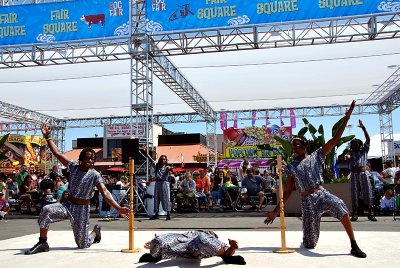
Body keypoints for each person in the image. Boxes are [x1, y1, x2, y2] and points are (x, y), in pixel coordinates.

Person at [264, 100, 367, 258]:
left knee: (341, 206)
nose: (295, 148)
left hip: (321, 194)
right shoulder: (291, 166)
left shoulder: (317, 155)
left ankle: (354, 245)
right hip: (307, 202)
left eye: (298, 145)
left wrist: (346, 119)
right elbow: (288, 191)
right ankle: (308, 238)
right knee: (310, 244)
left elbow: (334, 140)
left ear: (305, 147)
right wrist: (275, 212)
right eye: (293, 146)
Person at [24, 122, 129, 255]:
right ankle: (43, 242)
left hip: (82, 210)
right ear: (81, 159)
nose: (90, 162)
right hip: (68, 205)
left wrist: (118, 207)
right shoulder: (73, 166)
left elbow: (105, 192)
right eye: (87, 159)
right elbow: (57, 153)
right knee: (46, 210)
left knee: (83, 244)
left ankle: (95, 233)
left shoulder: (95, 175)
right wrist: (48, 137)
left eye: (92, 160)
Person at [138, 230, 246, 265]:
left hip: (198, 245)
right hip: (183, 242)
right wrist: (156, 242)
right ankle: (155, 255)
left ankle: (226, 257)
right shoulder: (192, 232)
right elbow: (174, 238)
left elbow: (224, 247)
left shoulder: (211, 237)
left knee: (203, 239)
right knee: (159, 240)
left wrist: (231, 248)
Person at [348, 120, 376, 222]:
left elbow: (368, 139)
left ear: (360, 145)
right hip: (354, 174)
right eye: (353, 144)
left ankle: (370, 213)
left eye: (356, 144)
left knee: (367, 192)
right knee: (354, 194)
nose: (355, 145)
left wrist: (363, 128)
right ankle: (355, 213)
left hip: (363, 174)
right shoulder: (350, 153)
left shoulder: (364, 151)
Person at [140, 145, 171, 220]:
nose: (163, 160)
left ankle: (168, 214)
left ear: (166, 160)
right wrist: (146, 153)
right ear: (160, 160)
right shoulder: (157, 167)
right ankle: (156, 214)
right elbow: (151, 160)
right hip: (157, 184)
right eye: (162, 159)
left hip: (163, 184)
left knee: (165, 199)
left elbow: (169, 169)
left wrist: (171, 169)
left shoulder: (167, 167)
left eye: (164, 159)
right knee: (156, 199)